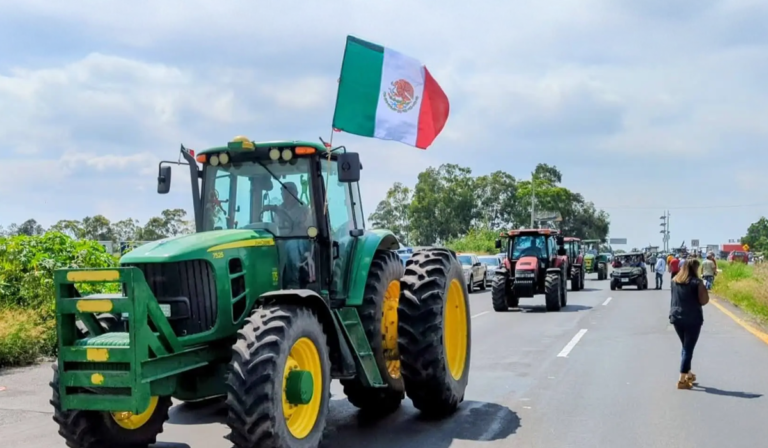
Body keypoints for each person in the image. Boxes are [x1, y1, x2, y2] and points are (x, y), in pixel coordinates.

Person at [669, 257, 709, 389]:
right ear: (694, 268)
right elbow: (704, 301)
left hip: (676, 318)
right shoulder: (697, 282)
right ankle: (682, 379)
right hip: (692, 319)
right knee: (688, 348)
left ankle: (689, 373)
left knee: (686, 347)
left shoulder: (674, 281)